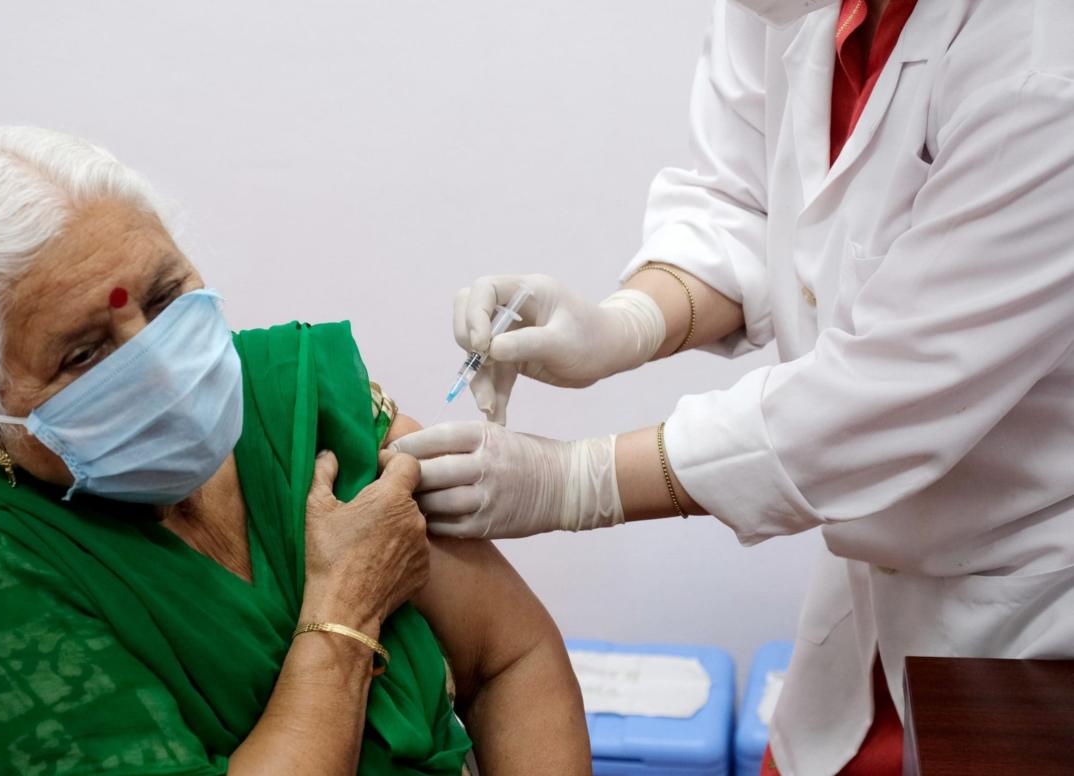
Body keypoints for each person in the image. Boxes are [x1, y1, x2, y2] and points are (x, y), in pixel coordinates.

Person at [392, 1, 1074, 774]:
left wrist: (577, 482)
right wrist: (628, 322)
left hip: (1029, 616)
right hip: (866, 615)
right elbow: (741, 200)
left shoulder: (1044, 65)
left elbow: (887, 394)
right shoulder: (793, 9)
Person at [0, 127, 591, 775]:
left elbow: (512, 661)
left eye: (163, 299)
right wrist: (345, 608)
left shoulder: (295, 400)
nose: (159, 365)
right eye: (84, 354)